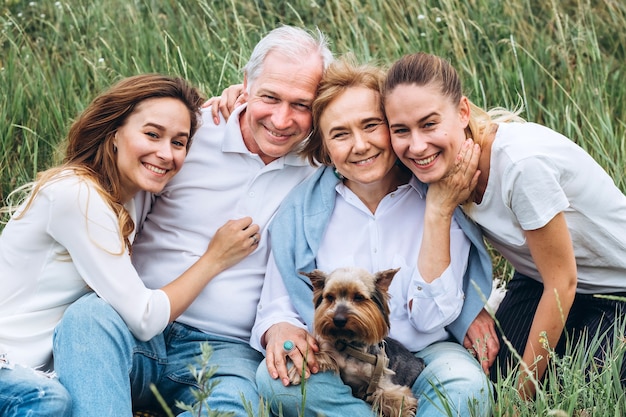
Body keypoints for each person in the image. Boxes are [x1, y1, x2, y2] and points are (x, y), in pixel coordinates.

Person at [52, 25, 333, 417]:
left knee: (239, 408)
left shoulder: (322, 167)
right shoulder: (191, 133)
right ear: (246, 84)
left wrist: (280, 323)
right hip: (137, 323)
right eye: (270, 97)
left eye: (301, 105)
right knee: (87, 320)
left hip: (227, 350)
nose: (282, 119)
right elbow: (125, 202)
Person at [0, 74, 257, 416]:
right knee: (49, 401)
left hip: (39, 369)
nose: (165, 153)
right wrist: (214, 259)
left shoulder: (129, 194)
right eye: (152, 134)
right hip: (11, 364)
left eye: (179, 142)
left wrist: (241, 99)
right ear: (115, 131)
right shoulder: (77, 195)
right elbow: (145, 318)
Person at [250, 57, 493, 417]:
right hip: (338, 355)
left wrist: (438, 213)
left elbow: (430, 319)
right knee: (277, 382)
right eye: (340, 134)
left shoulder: (436, 193)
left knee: (466, 387)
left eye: (371, 125)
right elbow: (277, 299)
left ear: (394, 126)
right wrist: (279, 326)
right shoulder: (302, 210)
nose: (360, 145)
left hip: (426, 351)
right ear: (325, 147)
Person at [382, 51, 626, 398]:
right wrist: (471, 311)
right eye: (401, 130)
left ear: (462, 112)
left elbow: (563, 282)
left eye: (430, 123)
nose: (417, 144)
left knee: (582, 385)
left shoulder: (519, 166)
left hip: (612, 288)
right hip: (537, 278)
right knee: (494, 377)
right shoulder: (437, 167)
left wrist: (522, 398)